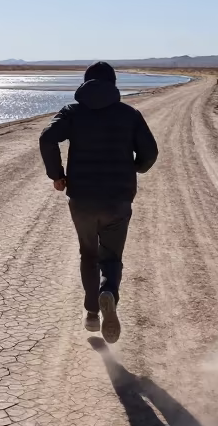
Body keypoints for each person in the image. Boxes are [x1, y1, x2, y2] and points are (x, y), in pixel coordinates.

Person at [39, 62, 159, 343]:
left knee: (89, 255)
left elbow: (47, 138)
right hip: (118, 199)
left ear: (85, 83)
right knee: (112, 257)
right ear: (114, 83)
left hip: (82, 199)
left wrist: (57, 175)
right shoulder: (129, 114)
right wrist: (138, 168)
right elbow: (150, 152)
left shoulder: (73, 112)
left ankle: (92, 313)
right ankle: (109, 294)